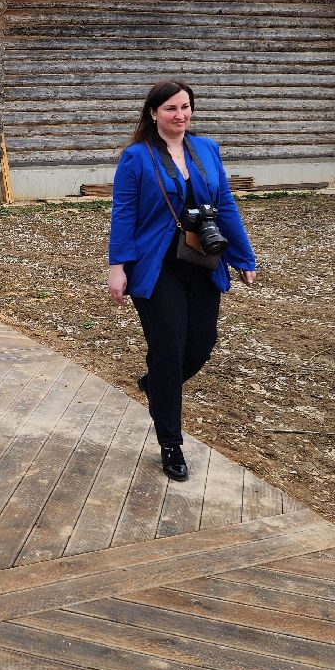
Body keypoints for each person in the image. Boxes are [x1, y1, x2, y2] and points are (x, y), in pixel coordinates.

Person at [107, 79, 257, 482]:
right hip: (157, 266)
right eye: (171, 108)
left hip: (202, 261)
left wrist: (243, 256)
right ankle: (170, 442)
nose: (180, 115)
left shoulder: (206, 150)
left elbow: (225, 203)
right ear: (153, 113)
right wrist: (117, 266)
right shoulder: (137, 157)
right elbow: (123, 213)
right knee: (169, 350)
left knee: (201, 345)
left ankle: (156, 384)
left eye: (186, 107)